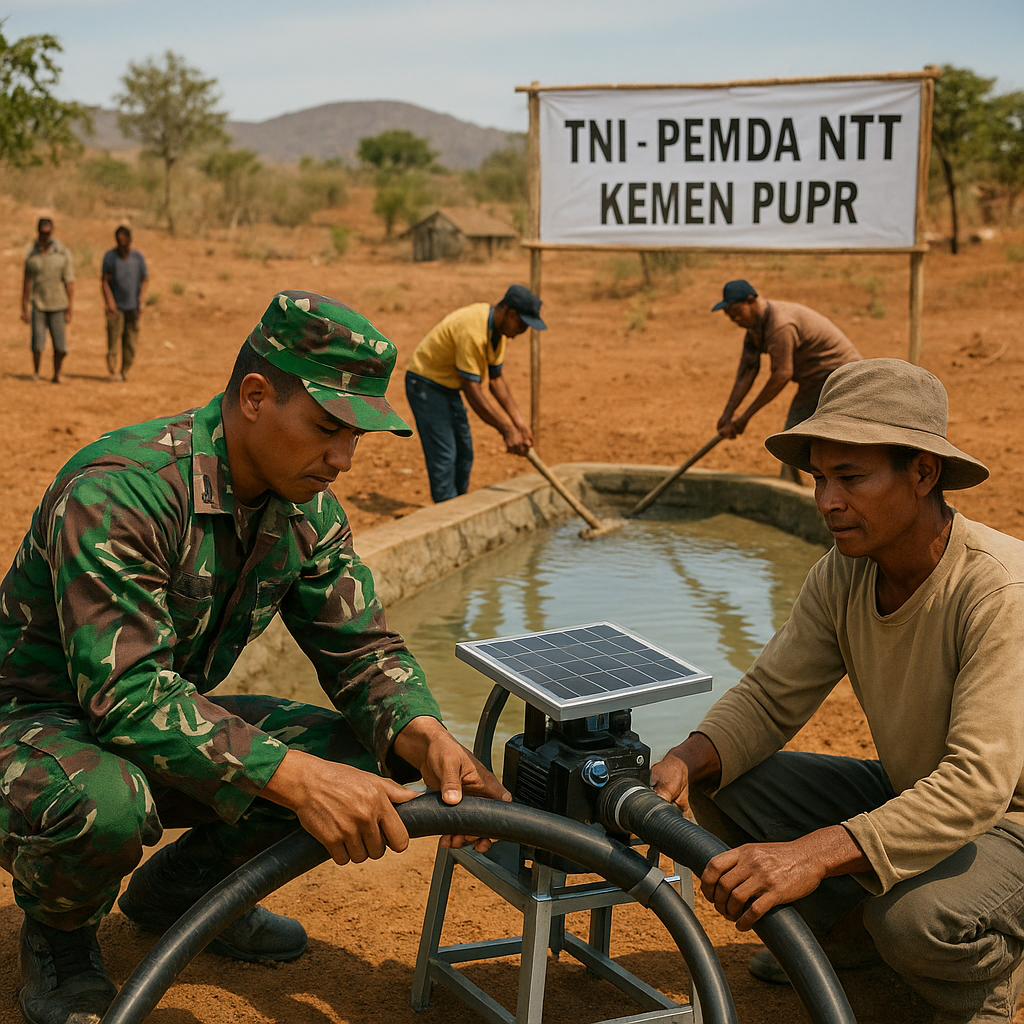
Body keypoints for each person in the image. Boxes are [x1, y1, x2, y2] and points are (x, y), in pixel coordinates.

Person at [0, 290, 508, 1024]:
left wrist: (424, 734)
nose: (343, 458)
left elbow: (362, 653)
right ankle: (60, 935)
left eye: (356, 436)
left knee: (368, 762)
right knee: (104, 804)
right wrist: (297, 781)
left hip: (149, 721)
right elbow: (129, 695)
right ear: (255, 396)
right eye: (327, 428)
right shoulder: (122, 490)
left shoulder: (306, 510)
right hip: (36, 727)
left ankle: (192, 891)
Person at [651, 359, 1024, 1024]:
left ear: (923, 473)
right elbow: (770, 699)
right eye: (821, 477)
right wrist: (684, 759)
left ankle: (983, 979)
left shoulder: (998, 591)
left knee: (915, 921)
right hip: (919, 792)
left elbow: (976, 785)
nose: (827, 500)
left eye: (851, 477)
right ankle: (854, 932)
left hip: (1011, 821)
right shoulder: (846, 572)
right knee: (724, 777)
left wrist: (810, 855)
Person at [405, 284, 544, 503]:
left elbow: (496, 381)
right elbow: (471, 388)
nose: (522, 333)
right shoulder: (473, 329)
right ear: (511, 314)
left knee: (465, 453)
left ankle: (458, 505)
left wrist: (518, 423)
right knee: (445, 456)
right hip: (426, 384)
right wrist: (507, 430)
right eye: (522, 325)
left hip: (449, 387)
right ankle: (446, 512)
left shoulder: (498, 333)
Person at [712, 279, 861, 482]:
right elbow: (747, 372)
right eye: (729, 315)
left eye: (736, 312)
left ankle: (806, 485)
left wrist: (744, 418)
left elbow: (782, 374)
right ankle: (792, 485)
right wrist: (728, 414)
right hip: (814, 379)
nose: (734, 319)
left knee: (794, 437)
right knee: (792, 436)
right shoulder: (754, 330)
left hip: (838, 374)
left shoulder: (780, 325)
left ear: (750, 300)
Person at [20, 218, 75, 384]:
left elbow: (69, 282)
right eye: (42, 233)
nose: (45, 236)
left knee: (61, 346)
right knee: (37, 343)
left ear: (52, 232)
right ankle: (36, 372)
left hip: (58, 304)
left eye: (48, 233)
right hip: (38, 304)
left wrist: (70, 307)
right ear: (38, 232)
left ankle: (57, 374)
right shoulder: (31, 255)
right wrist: (24, 306)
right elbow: (27, 281)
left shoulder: (62, 254)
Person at [100, 225, 148, 381]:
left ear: (130, 241)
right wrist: (110, 303)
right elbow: (104, 281)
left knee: (130, 342)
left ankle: (124, 371)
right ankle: (113, 368)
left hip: (132, 308)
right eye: (119, 242)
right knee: (113, 340)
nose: (122, 245)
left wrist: (141, 301)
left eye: (125, 242)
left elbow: (144, 280)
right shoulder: (110, 258)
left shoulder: (137, 259)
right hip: (116, 308)